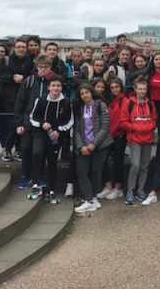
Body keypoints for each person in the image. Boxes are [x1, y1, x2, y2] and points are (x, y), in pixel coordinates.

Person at [27, 75, 74, 204]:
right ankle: (36, 185)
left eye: (58, 86)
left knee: (52, 161)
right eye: (53, 85)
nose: (55, 88)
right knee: (37, 154)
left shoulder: (66, 102)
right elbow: (32, 117)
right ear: (48, 87)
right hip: (41, 133)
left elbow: (70, 121)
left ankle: (50, 190)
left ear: (61, 87)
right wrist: (42, 123)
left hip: (55, 136)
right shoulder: (41, 100)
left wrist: (59, 130)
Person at [14, 54, 55, 189]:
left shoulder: (52, 83)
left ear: (50, 67)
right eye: (41, 67)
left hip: (44, 123)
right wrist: (19, 123)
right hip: (28, 122)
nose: (43, 69)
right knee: (26, 150)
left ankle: (39, 176)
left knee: (40, 152)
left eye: (46, 67)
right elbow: (20, 102)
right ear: (37, 67)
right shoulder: (29, 81)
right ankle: (26, 175)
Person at [73, 83, 114, 214]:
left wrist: (94, 144)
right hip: (84, 145)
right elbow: (77, 130)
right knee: (82, 173)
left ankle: (92, 198)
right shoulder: (79, 108)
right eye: (82, 93)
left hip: (100, 145)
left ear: (91, 93)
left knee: (97, 172)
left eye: (87, 92)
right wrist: (81, 146)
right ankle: (89, 200)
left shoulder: (100, 105)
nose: (85, 95)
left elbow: (105, 126)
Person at [0, 38, 35, 161]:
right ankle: (8, 149)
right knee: (12, 124)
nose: (21, 49)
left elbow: (33, 75)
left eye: (23, 47)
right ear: (14, 48)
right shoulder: (6, 60)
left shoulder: (30, 61)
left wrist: (23, 77)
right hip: (10, 97)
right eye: (19, 47)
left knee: (21, 124)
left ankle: (18, 149)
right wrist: (13, 77)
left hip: (24, 97)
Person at [121, 77, 157, 204]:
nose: (142, 91)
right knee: (135, 165)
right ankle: (130, 190)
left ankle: (140, 189)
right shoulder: (128, 103)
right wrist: (136, 127)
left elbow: (154, 119)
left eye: (144, 89)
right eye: (140, 89)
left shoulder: (150, 104)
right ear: (135, 90)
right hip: (135, 138)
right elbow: (123, 122)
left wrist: (148, 127)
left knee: (144, 165)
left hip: (147, 138)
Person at [96, 77, 127, 201]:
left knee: (119, 161)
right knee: (102, 160)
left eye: (116, 87)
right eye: (112, 87)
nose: (114, 89)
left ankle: (118, 188)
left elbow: (121, 119)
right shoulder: (108, 101)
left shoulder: (125, 101)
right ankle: (108, 186)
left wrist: (111, 132)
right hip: (108, 135)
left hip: (119, 135)